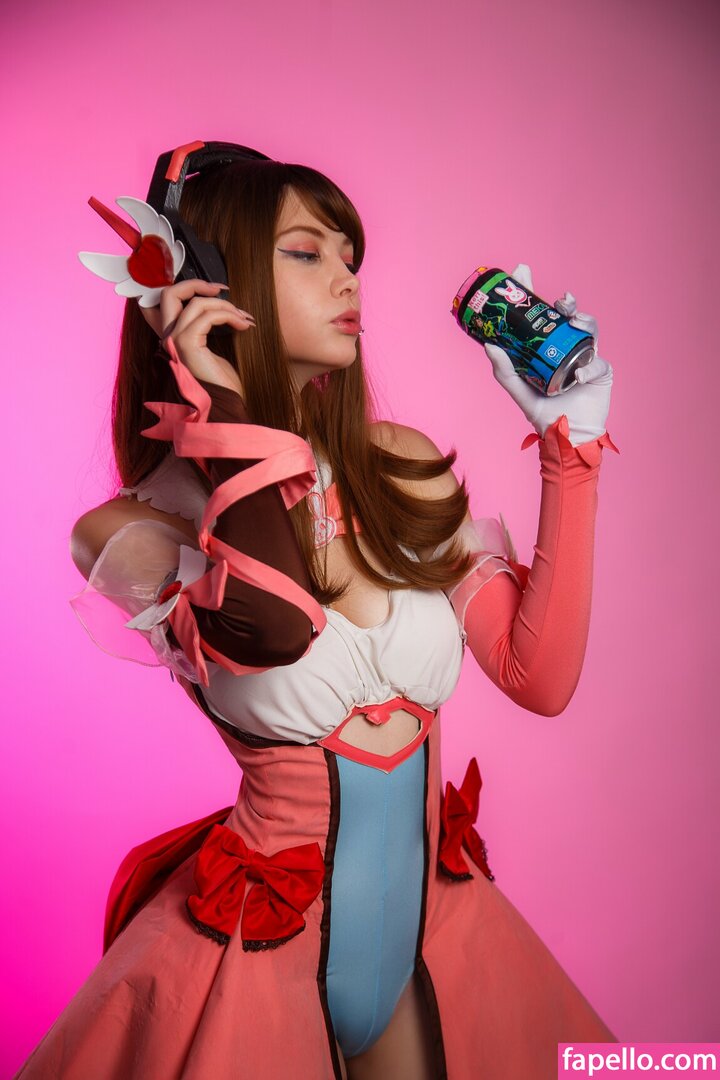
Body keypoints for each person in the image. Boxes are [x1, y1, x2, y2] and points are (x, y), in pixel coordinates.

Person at [16, 145, 619, 1080]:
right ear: (201, 283)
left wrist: (569, 446)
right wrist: (218, 400)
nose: (347, 278)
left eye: (350, 255)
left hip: (436, 936)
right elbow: (274, 627)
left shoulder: (400, 465)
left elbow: (535, 678)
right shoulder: (132, 530)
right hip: (254, 955)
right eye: (306, 252)